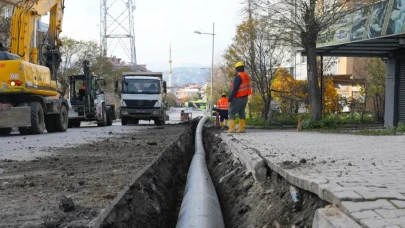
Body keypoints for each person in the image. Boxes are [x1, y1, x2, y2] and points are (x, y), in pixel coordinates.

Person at [226, 61, 252, 133]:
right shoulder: (246, 76)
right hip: (245, 98)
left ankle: (232, 128)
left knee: (231, 112)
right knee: (241, 112)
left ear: (236, 69)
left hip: (239, 98)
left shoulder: (239, 76)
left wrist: (230, 99)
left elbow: (235, 89)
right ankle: (242, 128)